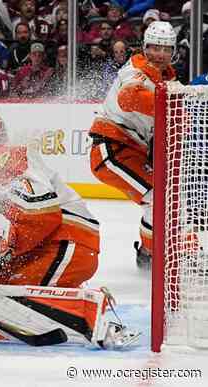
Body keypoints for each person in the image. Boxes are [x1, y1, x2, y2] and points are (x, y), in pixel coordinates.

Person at [0, 106, 138, 349]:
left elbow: (44, 214)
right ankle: (71, 302)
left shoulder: (10, 155)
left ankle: (90, 308)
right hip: (44, 246)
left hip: (69, 242)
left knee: (0, 292)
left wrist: (4, 248)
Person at [88, 21, 176, 270]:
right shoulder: (136, 70)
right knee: (158, 197)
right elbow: (129, 98)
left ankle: (150, 253)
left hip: (130, 151)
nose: (160, 54)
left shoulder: (166, 78)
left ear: (173, 52)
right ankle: (150, 255)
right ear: (144, 48)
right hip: (111, 150)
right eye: (154, 47)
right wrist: (171, 102)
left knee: (164, 198)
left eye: (165, 49)